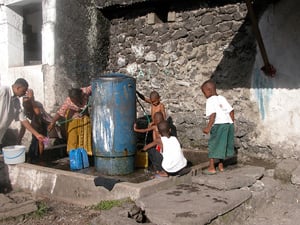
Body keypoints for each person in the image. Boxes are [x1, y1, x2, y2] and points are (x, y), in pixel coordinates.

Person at [0, 78, 45, 152]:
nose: (24, 94)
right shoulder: (4, 90)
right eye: (23, 91)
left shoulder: (16, 101)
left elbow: (23, 119)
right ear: (18, 88)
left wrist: (37, 135)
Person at [201, 80, 235, 175]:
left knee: (213, 144)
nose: (204, 95)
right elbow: (231, 111)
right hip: (228, 124)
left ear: (209, 90)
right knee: (222, 145)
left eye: (204, 92)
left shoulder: (210, 100)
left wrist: (208, 127)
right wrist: (231, 122)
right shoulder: (222, 98)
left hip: (218, 125)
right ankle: (221, 165)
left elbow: (213, 115)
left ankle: (212, 167)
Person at [47, 85, 92, 156]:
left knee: (85, 137)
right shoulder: (68, 101)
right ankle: (73, 154)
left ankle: (86, 154)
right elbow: (60, 112)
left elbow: (95, 86)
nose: (75, 103)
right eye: (73, 101)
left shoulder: (85, 91)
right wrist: (52, 122)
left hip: (85, 119)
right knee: (73, 138)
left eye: (76, 101)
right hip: (74, 119)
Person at [18, 89, 59, 162]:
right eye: (24, 102)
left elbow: (38, 113)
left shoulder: (36, 105)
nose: (25, 103)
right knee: (37, 141)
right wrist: (19, 139)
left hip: (45, 124)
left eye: (27, 101)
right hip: (37, 125)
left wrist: (32, 99)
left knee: (41, 141)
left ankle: (41, 158)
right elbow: (23, 125)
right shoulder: (24, 110)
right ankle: (38, 158)